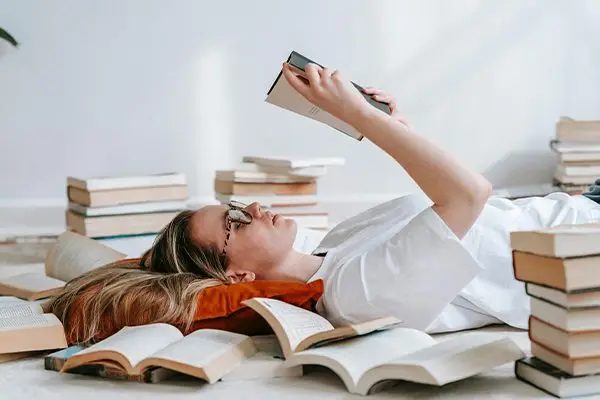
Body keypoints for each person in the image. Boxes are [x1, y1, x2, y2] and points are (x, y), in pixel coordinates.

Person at [51, 62, 600, 342]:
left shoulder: (331, 247)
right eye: (235, 223)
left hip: (573, 203)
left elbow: (457, 207)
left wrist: (389, 125)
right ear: (237, 276)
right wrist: (361, 118)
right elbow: (467, 195)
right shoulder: (356, 294)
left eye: (238, 205)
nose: (255, 209)